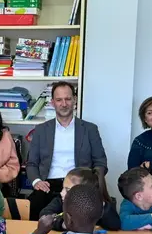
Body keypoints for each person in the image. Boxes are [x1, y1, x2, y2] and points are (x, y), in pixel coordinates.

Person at [25, 81, 108, 220]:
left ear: (74, 100)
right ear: (52, 103)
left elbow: (100, 162)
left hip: (79, 184)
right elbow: (31, 163)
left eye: (68, 99)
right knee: (36, 212)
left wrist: (90, 183)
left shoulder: (90, 129)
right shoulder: (40, 130)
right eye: (59, 100)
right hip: (48, 185)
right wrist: (37, 181)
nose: (64, 104)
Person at [40, 167, 121, 231]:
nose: (62, 193)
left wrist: (102, 205)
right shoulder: (60, 201)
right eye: (63, 188)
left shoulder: (102, 205)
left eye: (67, 190)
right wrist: (63, 224)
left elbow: (115, 225)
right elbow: (44, 215)